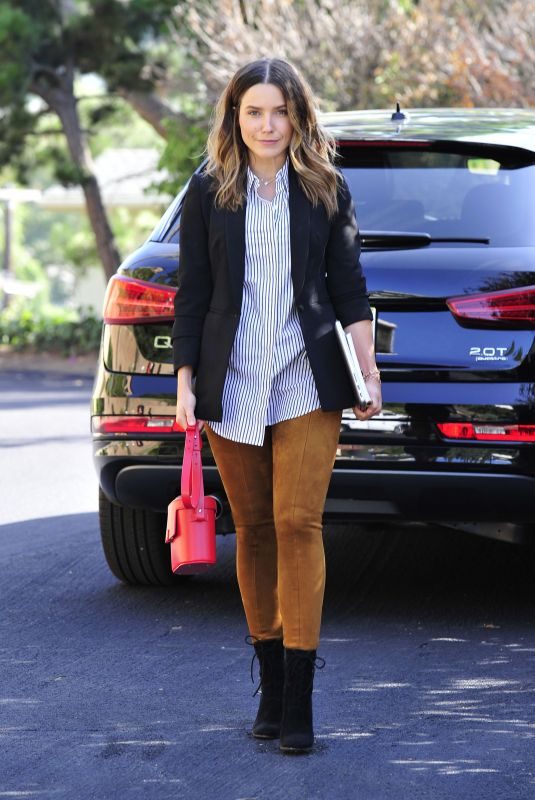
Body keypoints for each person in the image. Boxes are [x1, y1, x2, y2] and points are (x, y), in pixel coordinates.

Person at [173, 57, 381, 754]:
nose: (267, 125)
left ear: (298, 116)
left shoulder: (325, 188)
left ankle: (299, 700)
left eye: (279, 111)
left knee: (298, 523)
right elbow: (192, 295)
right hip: (231, 381)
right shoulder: (209, 192)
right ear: (234, 116)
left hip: (304, 375)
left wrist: (367, 369)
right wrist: (184, 382)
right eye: (253, 111)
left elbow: (348, 287)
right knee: (254, 528)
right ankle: (267, 681)